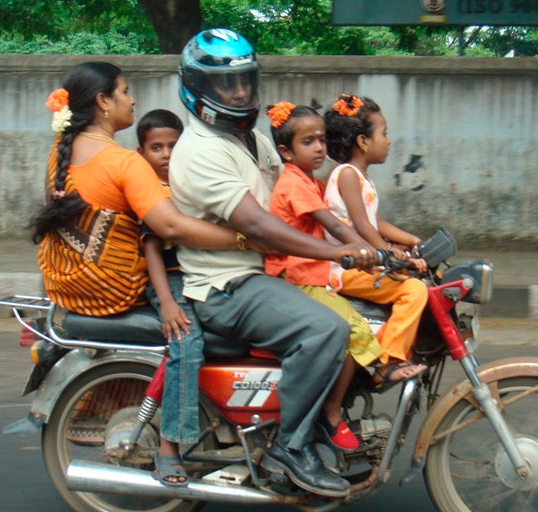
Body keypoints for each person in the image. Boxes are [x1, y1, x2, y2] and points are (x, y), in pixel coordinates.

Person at [169, 28, 376, 498]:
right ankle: (290, 447)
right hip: (227, 285)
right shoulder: (202, 150)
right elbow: (259, 225)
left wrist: (370, 243)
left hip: (262, 273)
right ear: (199, 89)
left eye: (245, 81)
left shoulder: (254, 141)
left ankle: (313, 419)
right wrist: (336, 251)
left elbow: (301, 201)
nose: (240, 92)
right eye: (226, 84)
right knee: (325, 330)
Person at [30, 62, 246, 486]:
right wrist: (245, 238)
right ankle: (171, 446)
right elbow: (170, 227)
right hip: (117, 286)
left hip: (71, 283)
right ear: (103, 102)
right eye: (126, 91)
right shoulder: (124, 163)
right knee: (186, 337)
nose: (133, 100)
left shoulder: (61, 151)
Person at [264, 101, 420, 452]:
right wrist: (373, 252)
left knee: (359, 323)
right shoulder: (295, 183)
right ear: (286, 152)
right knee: (351, 330)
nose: (319, 148)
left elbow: (354, 223)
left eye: (321, 139)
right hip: (299, 276)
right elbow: (335, 225)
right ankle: (332, 413)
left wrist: (389, 249)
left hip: (315, 272)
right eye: (308, 142)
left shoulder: (312, 181)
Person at [323, 94, 428, 390]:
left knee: (413, 279)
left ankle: (375, 349)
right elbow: (363, 226)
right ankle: (387, 363)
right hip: (344, 270)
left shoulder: (362, 177)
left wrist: (414, 241)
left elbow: (378, 223)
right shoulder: (346, 174)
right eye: (384, 134)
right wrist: (392, 252)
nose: (389, 141)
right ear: (363, 142)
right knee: (413, 290)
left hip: (362, 262)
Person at [136, 108, 202, 486]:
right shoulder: (151, 194)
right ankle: (168, 447)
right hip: (170, 281)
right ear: (141, 152)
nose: (165, 154)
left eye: (173, 146)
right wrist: (167, 303)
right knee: (186, 341)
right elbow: (152, 251)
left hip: (199, 277)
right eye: (156, 147)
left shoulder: (188, 184)